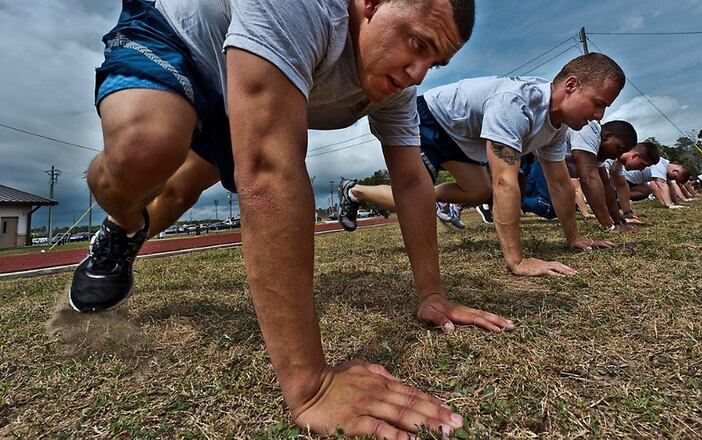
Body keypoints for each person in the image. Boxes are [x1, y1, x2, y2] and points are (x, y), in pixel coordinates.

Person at [67, 0, 506, 437]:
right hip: (177, 34)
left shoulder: (398, 87)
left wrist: (432, 294)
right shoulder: (303, 7)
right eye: (417, 44)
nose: (418, 72)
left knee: (181, 189)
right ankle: (120, 225)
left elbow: (411, 182)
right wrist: (311, 385)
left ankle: (128, 234)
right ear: (370, 3)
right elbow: (270, 172)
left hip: (242, 80)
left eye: (435, 61)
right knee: (147, 151)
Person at [339, 53, 625, 277]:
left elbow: (560, 183)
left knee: (477, 192)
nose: (599, 116)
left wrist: (573, 237)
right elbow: (504, 182)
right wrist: (518, 261)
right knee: (417, 198)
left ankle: (358, 192)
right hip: (429, 118)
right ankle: (356, 193)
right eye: (597, 103)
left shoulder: (558, 127)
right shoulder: (516, 104)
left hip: (460, 137)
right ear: (572, 85)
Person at [521, 120, 638, 230]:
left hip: (535, 159)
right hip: (526, 155)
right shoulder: (588, 130)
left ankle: (511, 200)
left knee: (546, 207)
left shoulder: (598, 152)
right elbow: (588, 179)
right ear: (606, 137)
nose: (618, 156)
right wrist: (608, 225)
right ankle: (507, 201)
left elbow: (606, 185)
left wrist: (618, 221)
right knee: (546, 206)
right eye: (619, 149)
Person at [599, 141, 661, 220]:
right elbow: (602, 184)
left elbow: (621, 186)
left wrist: (627, 212)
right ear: (635, 155)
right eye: (643, 165)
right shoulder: (608, 157)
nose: (642, 169)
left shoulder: (618, 162)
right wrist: (616, 219)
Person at [625, 157, 691, 208]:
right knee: (646, 189)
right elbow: (662, 185)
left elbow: (670, 187)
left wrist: (676, 203)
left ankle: (619, 198)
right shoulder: (660, 165)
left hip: (634, 182)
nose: (673, 179)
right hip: (626, 178)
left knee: (646, 190)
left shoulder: (665, 165)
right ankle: (618, 196)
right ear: (675, 171)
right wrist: (669, 204)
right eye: (674, 178)